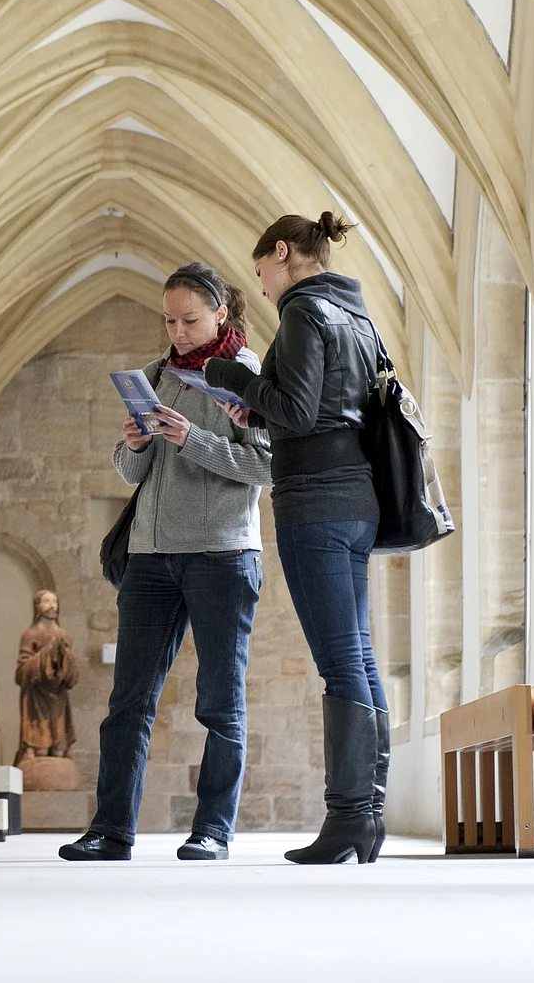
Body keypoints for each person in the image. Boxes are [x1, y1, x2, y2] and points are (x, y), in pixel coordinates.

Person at [60, 263, 271, 863]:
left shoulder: (249, 377)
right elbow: (134, 475)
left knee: (220, 699)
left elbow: (267, 467)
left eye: (190, 319)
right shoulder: (156, 376)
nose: (177, 332)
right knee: (129, 700)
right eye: (169, 320)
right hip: (151, 558)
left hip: (224, 556)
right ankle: (110, 830)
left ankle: (213, 830)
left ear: (221, 314)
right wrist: (133, 446)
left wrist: (191, 439)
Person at [203, 213, 387, 865]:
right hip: (359, 500)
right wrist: (255, 405)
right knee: (358, 656)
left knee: (342, 663)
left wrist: (234, 381)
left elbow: (301, 412)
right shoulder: (357, 315)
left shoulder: (306, 313)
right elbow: (326, 407)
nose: (265, 286)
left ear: (283, 253)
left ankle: (349, 820)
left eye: (262, 273)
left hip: (316, 502)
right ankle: (368, 814)